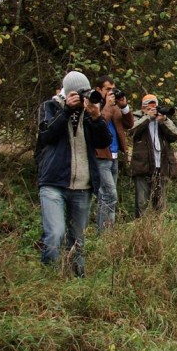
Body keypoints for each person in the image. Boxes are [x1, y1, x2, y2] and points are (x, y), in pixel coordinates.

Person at [36, 71, 112, 277]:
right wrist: (67, 111)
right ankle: (50, 280)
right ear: (68, 92)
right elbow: (46, 135)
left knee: (78, 240)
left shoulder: (89, 112)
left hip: (83, 186)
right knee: (55, 234)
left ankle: (78, 280)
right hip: (53, 182)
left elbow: (104, 142)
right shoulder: (51, 107)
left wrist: (96, 117)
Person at [129, 94, 177, 218]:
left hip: (161, 167)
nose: (153, 109)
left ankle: (158, 231)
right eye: (150, 106)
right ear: (143, 107)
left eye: (155, 106)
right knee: (142, 203)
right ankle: (141, 231)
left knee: (160, 204)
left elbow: (176, 135)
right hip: (142, 167)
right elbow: (131, 131)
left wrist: (164, 121)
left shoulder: (161, 119)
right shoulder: (136, 117)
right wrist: (147, 117)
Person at [93, 76, 134, 232]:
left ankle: (105, 230)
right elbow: (99, 124)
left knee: (106, 195)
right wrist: (109, 106)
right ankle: (106, 233)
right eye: (107, 89)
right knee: (110, 194)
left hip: (114, 155)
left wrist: (124, 107)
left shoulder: (115, 106)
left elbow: (129, 124)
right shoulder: (94, 106)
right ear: (99, 90)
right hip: (101, 156)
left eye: (113, 89)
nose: (111, 92)